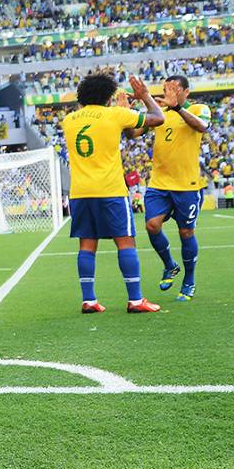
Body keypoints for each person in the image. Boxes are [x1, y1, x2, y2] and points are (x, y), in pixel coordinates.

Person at [61, 74, 164, 314]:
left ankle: (89, 300)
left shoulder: (69, 120)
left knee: (87, 244)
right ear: (108, 97)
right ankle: (136, 300)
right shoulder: (115, 114)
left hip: (80, 191)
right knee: (125, 241)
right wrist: (144, 96)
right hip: (110, 190)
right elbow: (158, 118)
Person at [142, 76, 210, 302]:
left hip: (186, 185)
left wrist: (178, 108)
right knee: (152, 225)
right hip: (159, 183)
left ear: (185, 92)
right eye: (165, 89)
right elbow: (134, 133)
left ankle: (189, 280)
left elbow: (202, 126)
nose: (168, 92)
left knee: (186, 233)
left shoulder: (199, 108)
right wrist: (133, 113)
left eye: (173, 89)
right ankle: (170, 265)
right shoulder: (160, 113)